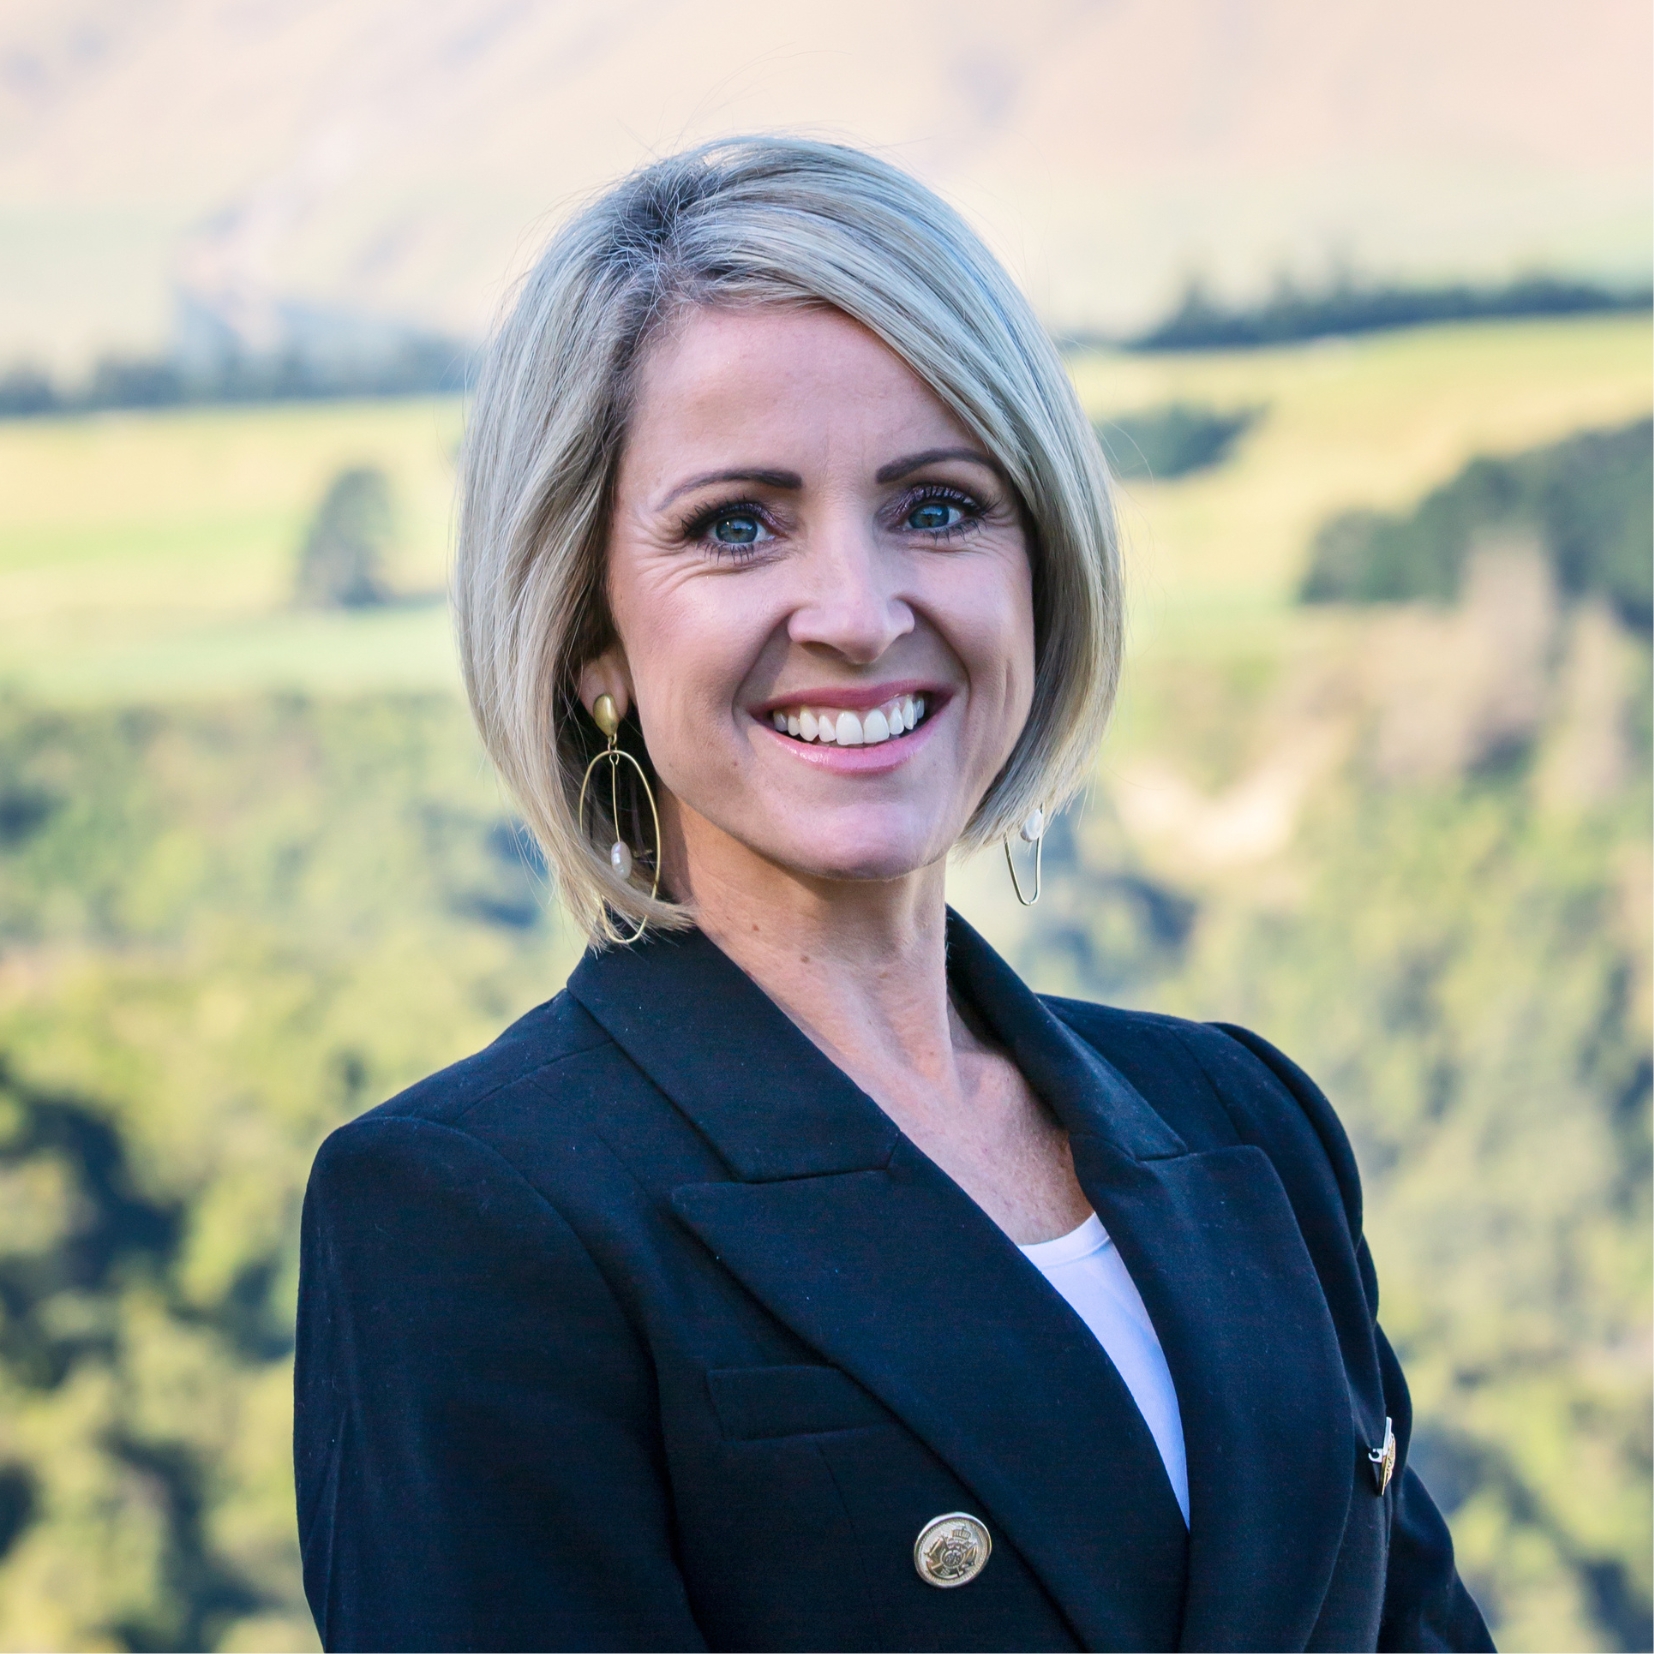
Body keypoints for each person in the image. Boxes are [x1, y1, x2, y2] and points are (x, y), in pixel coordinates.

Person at [292, 136, 1493, 1653]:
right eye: (736, 524)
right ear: (590, 632)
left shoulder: (1245, 1118)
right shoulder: (467, 1214)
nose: (858, 614)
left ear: (1040, 559)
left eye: (935, 505)